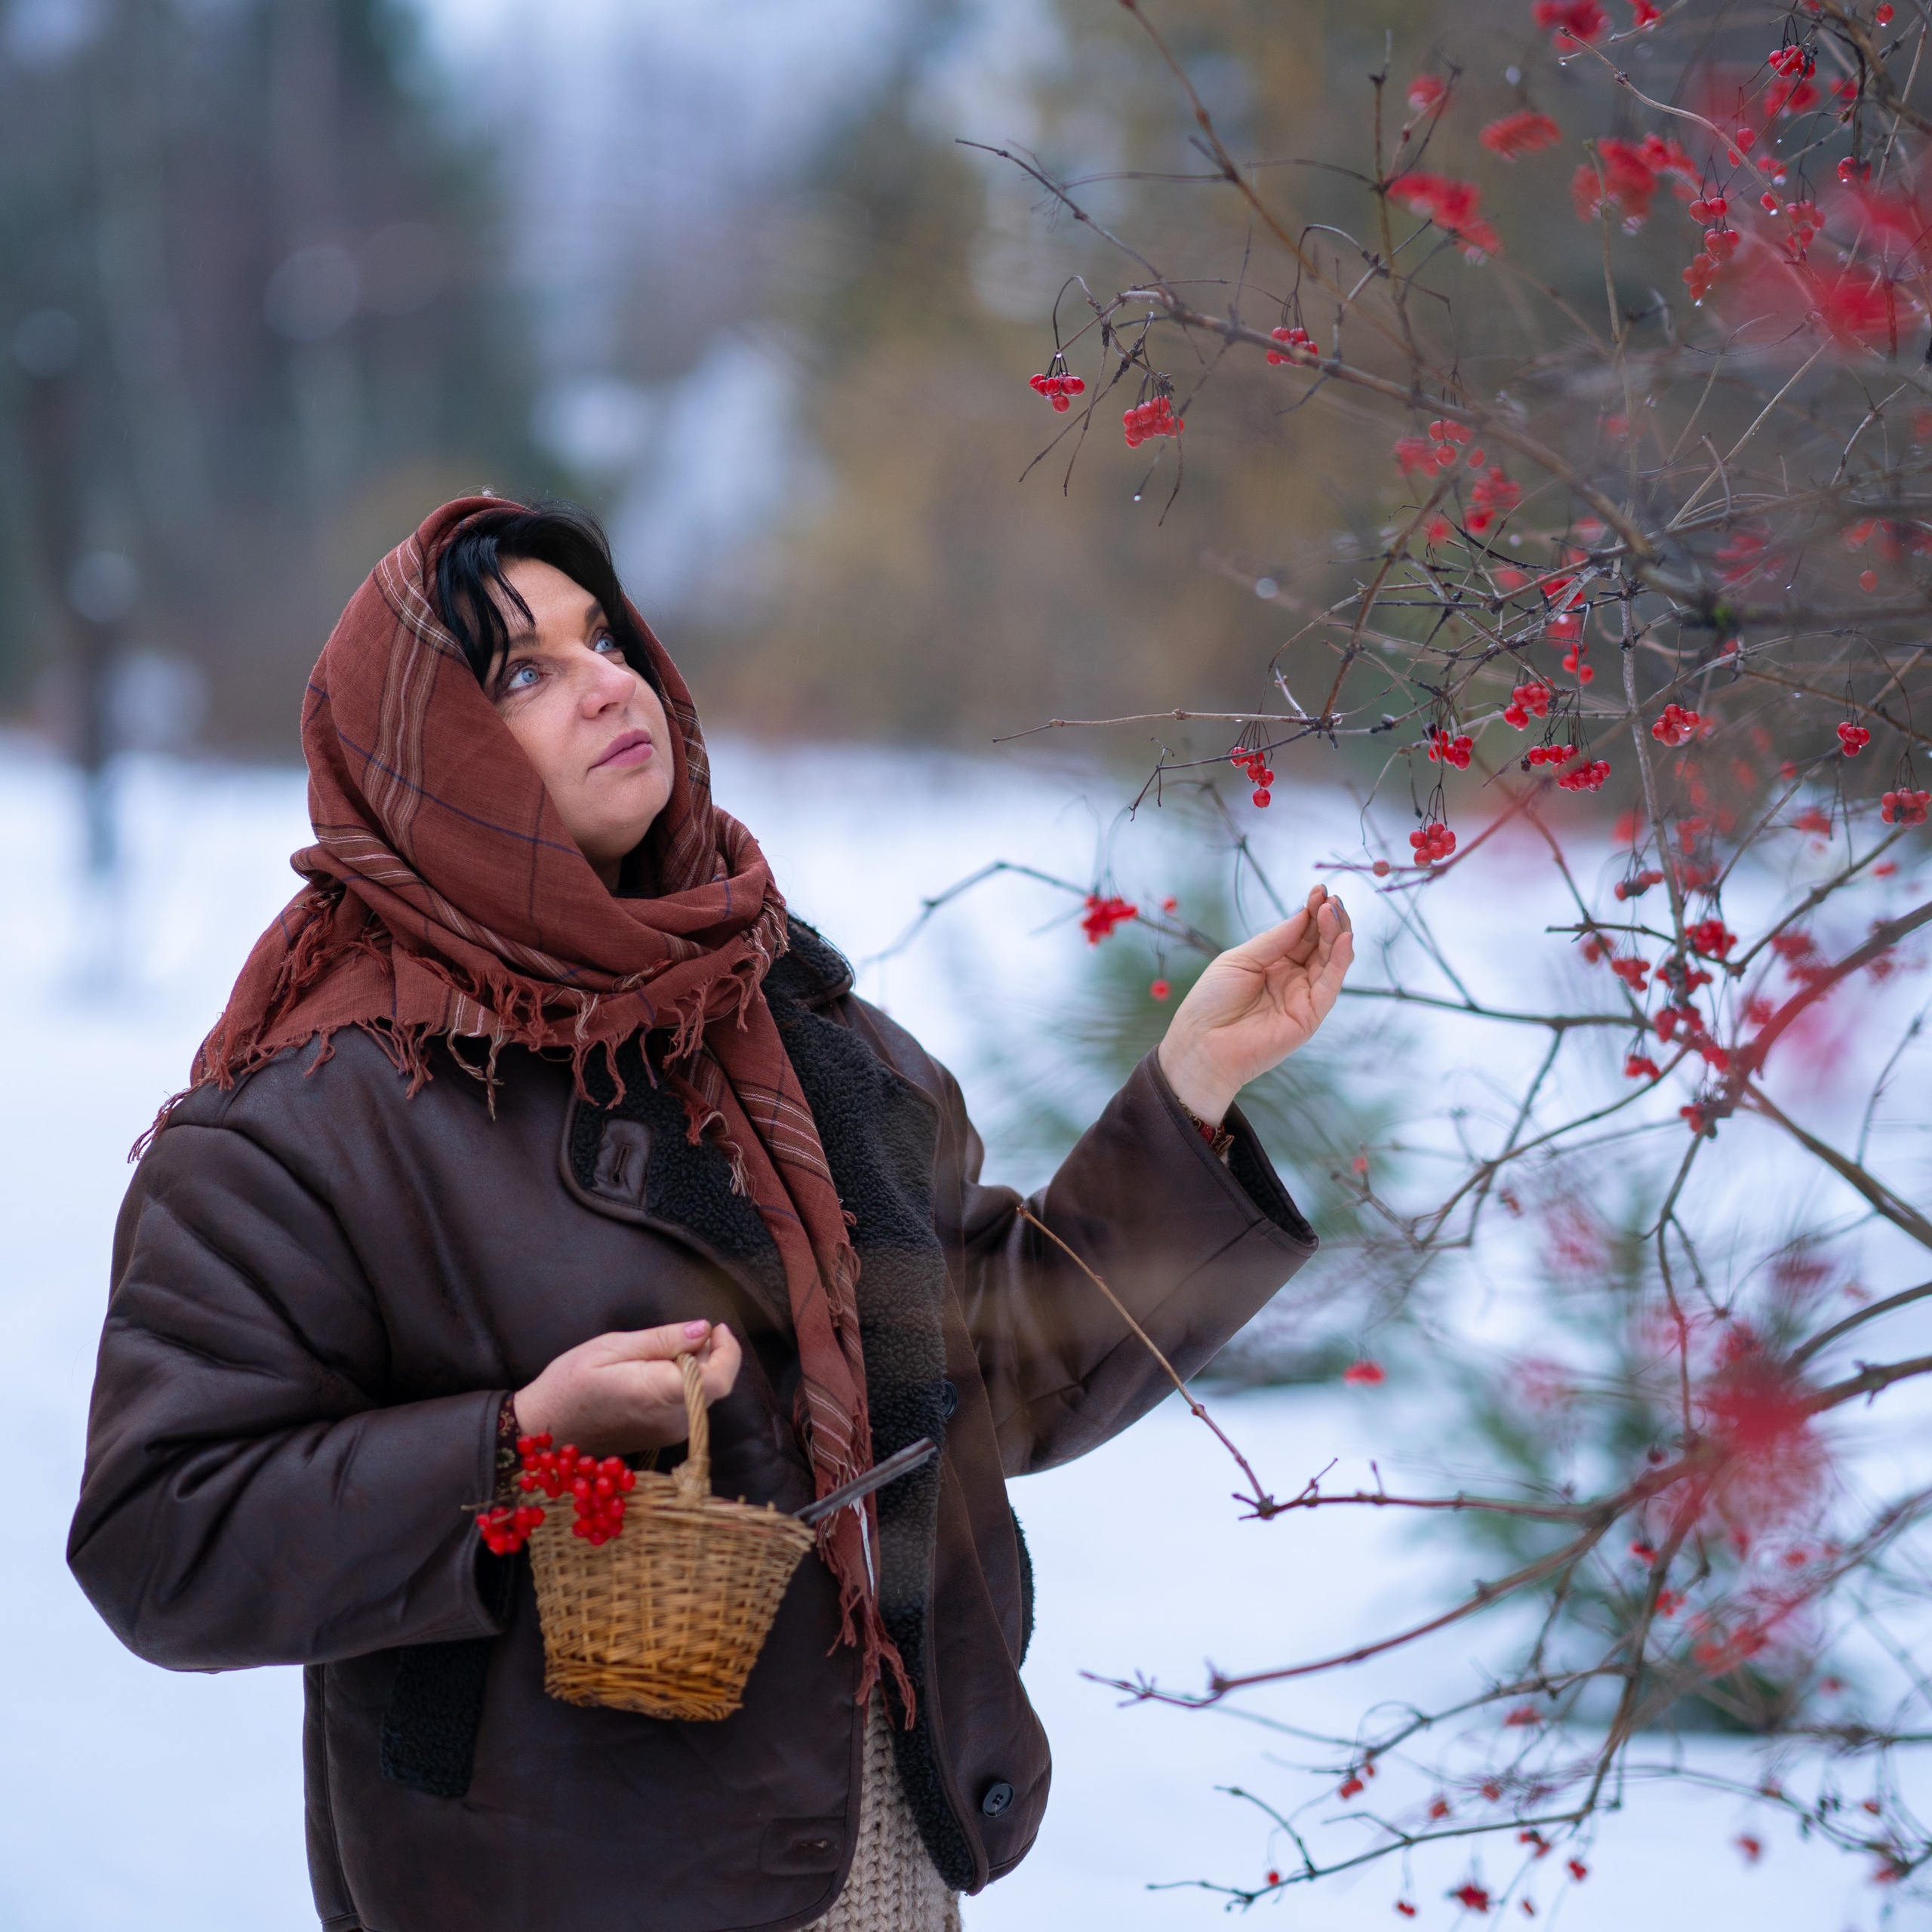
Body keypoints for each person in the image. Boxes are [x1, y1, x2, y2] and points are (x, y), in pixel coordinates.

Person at [68, 496, 1353, 1932]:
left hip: (886, 1868)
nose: (607, 681)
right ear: (422, 758)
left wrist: (1190, 1094)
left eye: (602, 635)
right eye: (520, 672)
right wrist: (512, 1453)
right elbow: (159, 1540)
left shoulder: (790, 1018)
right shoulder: (312, 1116)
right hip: (559, 1886)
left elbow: (984, 1363)